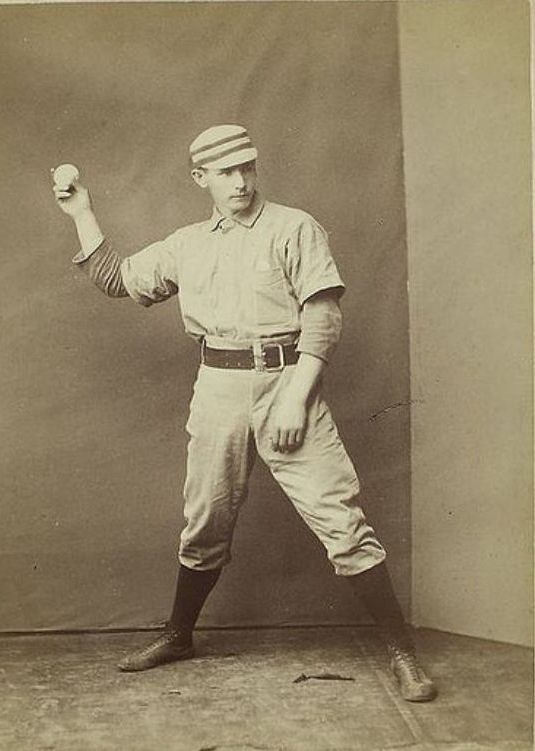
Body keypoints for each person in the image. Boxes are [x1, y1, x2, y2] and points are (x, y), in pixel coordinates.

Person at [53, 124, 437, 702]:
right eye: (225, 172)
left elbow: (324, 316)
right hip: (218, 388)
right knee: (205, 519)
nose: (239, 180)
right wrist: (82, 211)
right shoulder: (187, 243)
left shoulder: (294, 227)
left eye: (246, 167)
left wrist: (296, 394)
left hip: (289, 382)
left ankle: (402, 652)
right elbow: (116, 278)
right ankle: (179, 635)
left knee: (342, 522)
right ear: (200, 179)